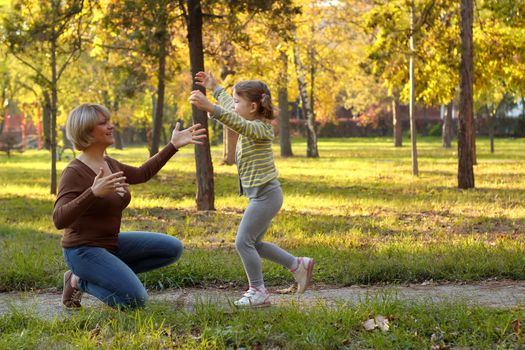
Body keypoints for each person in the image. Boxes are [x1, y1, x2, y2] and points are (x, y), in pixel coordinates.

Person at [53, 103, 206, 309]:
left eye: (109, 121)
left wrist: (173, 146)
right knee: (135, 301)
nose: (111, 126)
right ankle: (78, 280)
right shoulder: (74, 172)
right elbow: (59, 219)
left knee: (171, 248)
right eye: (103, 123)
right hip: (82, 251)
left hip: (110, 245)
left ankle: (106, 274)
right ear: (86, 131)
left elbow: (142, 173)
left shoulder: (110, 163)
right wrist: (93, 193)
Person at [189, 72, 314, 307]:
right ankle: (298, 265)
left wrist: (211, 108)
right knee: (254, 243)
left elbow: (237, 122)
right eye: (234, 101)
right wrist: (215, 88)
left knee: (242, 242)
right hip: (262, 195)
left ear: (254, 106)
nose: (233, 106)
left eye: (238, 102)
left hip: (266, 196)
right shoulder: (248, 119)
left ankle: (258, 291)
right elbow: (232, 110)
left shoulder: (262, 129)